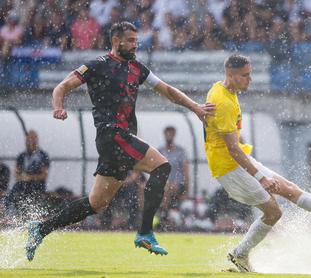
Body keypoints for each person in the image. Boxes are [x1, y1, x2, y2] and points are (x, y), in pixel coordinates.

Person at [24, 21, 215, 261]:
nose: (136, 45)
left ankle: (40, 229)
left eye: (137, 40)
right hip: (112, 134)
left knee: (96, 203)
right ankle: (145, 232)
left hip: (118, 139)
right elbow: (61, 87)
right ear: (116, 41)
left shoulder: (137, 68)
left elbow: (167, 90)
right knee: (162, 166)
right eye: (131, 41)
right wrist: (58, 108)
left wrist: (195, 107)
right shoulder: (97, 66)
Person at [204, 54, 311, 272]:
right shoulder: (223, 101)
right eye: (245, 75)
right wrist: (261, 178)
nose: (250, 79)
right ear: (231, 75)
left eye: (250, 74)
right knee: (274, 213)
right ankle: (241, 254)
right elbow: (233, 149)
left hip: (236, 161)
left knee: (291, 190)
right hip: (229, 168)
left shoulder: (222, 90)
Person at [8, 130, 50, 220]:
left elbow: (45, 175)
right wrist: (23, 177)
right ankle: (11, 214)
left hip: (37, 183)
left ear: (36, 139)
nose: (30, 141)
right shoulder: (22, 156)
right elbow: (16, 174)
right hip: (23, 183)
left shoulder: (42, 155)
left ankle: (36, 214)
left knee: (34, 189)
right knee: (15, 189)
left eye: (33, 138)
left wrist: (31, 177)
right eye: (28, 138)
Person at [158, 126, 189, 229]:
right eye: (167, 133)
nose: (169, 136)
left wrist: (186, 189)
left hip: (177, 184)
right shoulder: (160, 151)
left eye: (171, 134)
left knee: (169, 188)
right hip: (163, 183)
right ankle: (142, 217)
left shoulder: (180, 152)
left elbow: (186, 171)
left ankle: (163, 216)